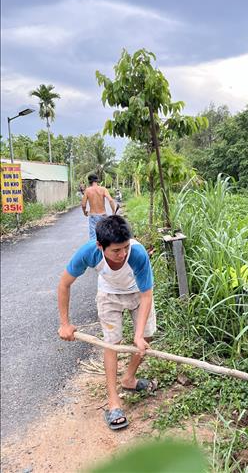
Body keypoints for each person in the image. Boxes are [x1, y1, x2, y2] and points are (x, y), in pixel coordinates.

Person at [57, 215, 157, 430]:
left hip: (137, 294)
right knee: (112, 343)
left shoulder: (137, 253)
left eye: (125, 248)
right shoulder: (89, 253)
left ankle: (129, 379)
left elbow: (147, 295)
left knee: (147, 335)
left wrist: (138, 335)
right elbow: (64, 284)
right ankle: (113, 402)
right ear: (100, 246)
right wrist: (65, 323)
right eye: (116, 251)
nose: (122, 255)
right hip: (109, 295)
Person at [82, 174, 116, 240]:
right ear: (97, 181)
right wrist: (113, 211)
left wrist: (84, 212)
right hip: (103, 215)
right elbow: (111, 200)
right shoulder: (103, 189)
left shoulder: (88, 190)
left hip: (93, 216)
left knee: (93, 237)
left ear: (89, 181)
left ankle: (95, 249)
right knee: (104, 235)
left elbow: (83, 205)